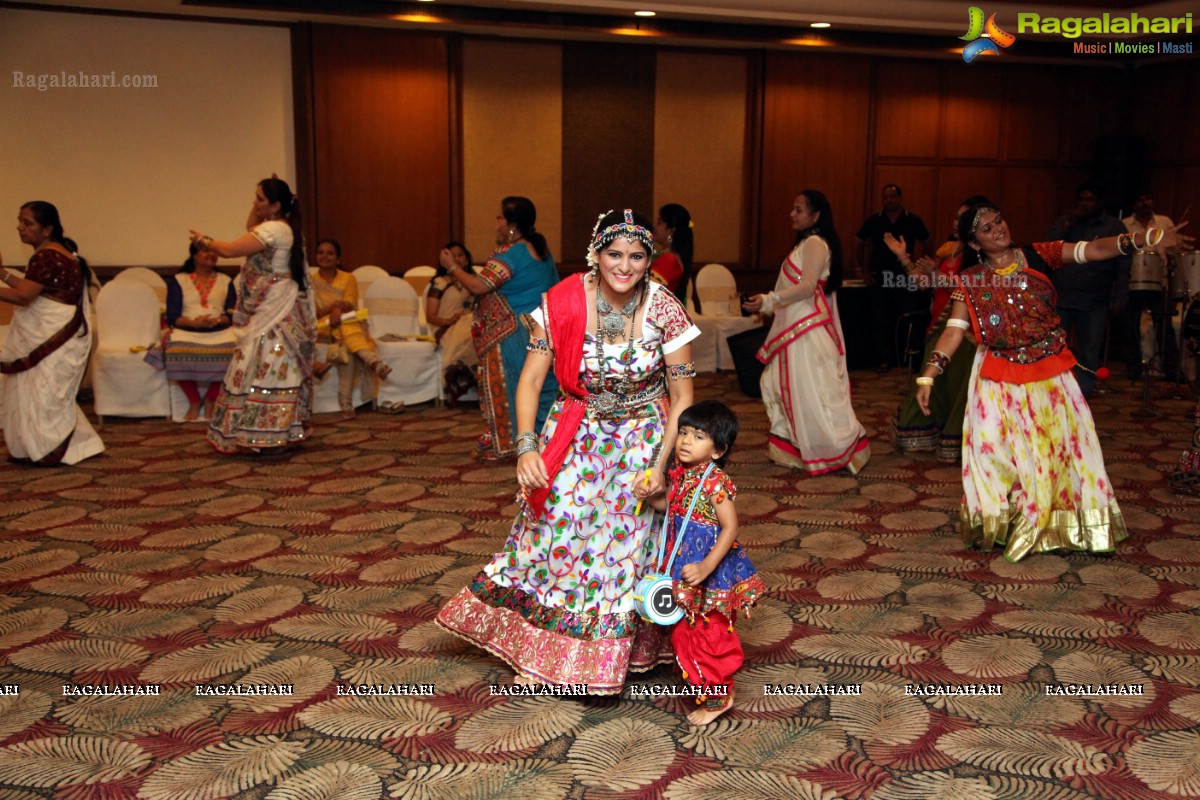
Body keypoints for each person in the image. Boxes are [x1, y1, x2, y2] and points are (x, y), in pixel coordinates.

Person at [436, 209, 701, 692]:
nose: (625, 266)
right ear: (595, 254)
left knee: (627, 548)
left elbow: (683, 398)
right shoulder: (561, 302)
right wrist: (525, 448)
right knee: (559, 529)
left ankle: (615, 655)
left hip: (645, 441)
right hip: (576, 434)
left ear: (648, 259)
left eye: (637, 256)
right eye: (614, 254)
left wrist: (664, 465)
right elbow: (531, 380)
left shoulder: (663, 307)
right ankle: (549, 648)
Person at [915, 204, 1190, 561]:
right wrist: (928, 375)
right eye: (986, 228)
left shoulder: (1037, 254)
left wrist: (1144, 238)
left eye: (999, 219)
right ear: (975, 243)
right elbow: (955, 331)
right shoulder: (970, 279)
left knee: (1056, 448)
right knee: (991, 449)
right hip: (997, 376)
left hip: (1048, 371)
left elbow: (1092, 250)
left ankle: (1057, 521)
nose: (998, 228)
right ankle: (1008, 520)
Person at [644, 399, 764, 726]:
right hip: (684, 562)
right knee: (685, 628)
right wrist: (650, 495)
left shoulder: (715, 482)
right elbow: (667, 506)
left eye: (698, 436)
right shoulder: (682, 474)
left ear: (717, 451)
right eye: (683, 432)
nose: (684, 441)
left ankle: (718, 696)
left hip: (707, 570)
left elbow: (731, 527)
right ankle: (700, 676)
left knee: (708, 633)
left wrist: (707, 567)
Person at [743, 190, 870, 475]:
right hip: (800, 327)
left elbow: (808, 286)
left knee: (812, 392)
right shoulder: (806, 243)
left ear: (816, 216)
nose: (792, 214)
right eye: (793, 208)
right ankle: (798, 447)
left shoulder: (815, 243)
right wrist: (767, 303)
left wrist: (769, 300)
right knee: (784, 385)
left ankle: (829, 447)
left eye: (799, 209)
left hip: (807, 330)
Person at [189, 176, 317, 454]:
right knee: (258, 361)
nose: (254, 203)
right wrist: (260, 206)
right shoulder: (275, 227)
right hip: (269, 305)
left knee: (270, 362)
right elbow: (251, 227)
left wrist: (203, 240)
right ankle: (266, 432)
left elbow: (229, 249)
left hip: (277, 308)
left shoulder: (277, 230)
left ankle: (268, 434)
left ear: (276, 206)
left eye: (260, 199)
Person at [442, 196, 559, 459]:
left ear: (511, 225)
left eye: (499, 218)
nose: (495, 223)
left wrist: (452, 267)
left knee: (517, 388)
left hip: (513, 334)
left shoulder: (512, 253)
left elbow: (478, 286)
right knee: (543, 388)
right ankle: (549, 443)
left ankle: (518, 446)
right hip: (542, 329)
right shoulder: (541, 250)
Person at [888, 195, 991, 462]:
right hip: (940, 327)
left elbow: (972, 289)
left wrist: (939, 275)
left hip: (965, 334)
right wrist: (903, 258)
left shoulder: (984, 257)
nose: (957, 223)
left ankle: (959, 442)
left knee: (957, 389)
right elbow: (923, 283)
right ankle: (926, 433)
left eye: (964, 218)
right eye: (956, 217)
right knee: (934, 382)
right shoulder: (948, 249)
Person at [0, 202, 104, 465]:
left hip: (52, 334)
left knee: (42, 394)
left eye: (27, 223)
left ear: (46, 229)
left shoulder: (45, 256)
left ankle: (47, 448)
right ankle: (60, 446)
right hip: (62, 332)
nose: (20, 227)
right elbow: (35, 289)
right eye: (20, 221)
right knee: (48, 394)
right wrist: (2, 274)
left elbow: (24, 297)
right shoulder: (62, 252)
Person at [1046, 181, 1129, 397]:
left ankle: (1083, 393)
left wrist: (1120, 298)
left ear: (1100, 202)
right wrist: (1068, 225)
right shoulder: (1066, 222)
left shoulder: (1114, 228)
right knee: (1054, 346)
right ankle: (1054, 389)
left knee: (1089, 350)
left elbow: (1123, 266)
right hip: (1062, 296)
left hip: (1095, 300)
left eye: (1090, 200)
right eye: (1081, 200)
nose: (1085, 204)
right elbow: (1046, 251)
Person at [310, 238, 390, 419]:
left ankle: (345, 403)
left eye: (330, 253)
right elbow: (310, 311)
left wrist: (338, 310)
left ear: (338, 259)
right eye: (321, 252)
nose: (325, 256)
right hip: (321, 326)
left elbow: (350, 303)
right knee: (349, 332)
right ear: (316, 257)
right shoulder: (310, 281)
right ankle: (372, 361)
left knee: (346, 341)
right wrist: (332, 309)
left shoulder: (348, 278)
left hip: (344, 324)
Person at [856, 184, 930, 371]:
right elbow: (859, 242)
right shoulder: (875, 220)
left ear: (900, 198)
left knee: (908, 315)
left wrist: (922, 267)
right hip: (880, 276)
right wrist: (862, 269)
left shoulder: (912, 220)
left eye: (892, 197)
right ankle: (885, 359)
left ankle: (910, 358)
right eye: (885, 197)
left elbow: (927, 241)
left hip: (906, 276)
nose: (889, 200)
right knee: (880, 318)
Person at [165, 243, 238, 422]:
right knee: (174, 351)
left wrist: (218, 320)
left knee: (235, 354)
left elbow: (231, 312)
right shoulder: (179, 280)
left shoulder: (225, 280)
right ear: (194, 256)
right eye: (206, 250)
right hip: (187, 330)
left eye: (215, 252)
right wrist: (193, 323)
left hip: (219, 330)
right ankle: (195, 401)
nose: (212, 255)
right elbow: (173, 316)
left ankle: (211, 400)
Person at [1121, 191, 1179, 381]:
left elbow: (1175, 250)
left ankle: (1171, 369)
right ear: (1133, 205)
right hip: (1132, 280)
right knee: (1131, 323)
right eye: (1140, 200)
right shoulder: (1125, 225)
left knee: (1164, 323)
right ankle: (1133, 367)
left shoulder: (1164, 222)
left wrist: (1170, 245)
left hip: (1158, 279)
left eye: (1148, 198)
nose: (1145, 203)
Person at [431, 241, 478, 406]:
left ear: (466, 259)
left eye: (460, 255)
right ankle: (461, 373)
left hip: (472, 325)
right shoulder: (439, 283)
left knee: (474, 324)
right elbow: (430, 316)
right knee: (470, 326)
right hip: (446, 328)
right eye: (452, 255)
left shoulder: (476, 283)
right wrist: (449, 320)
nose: (457, 259)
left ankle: (462, 373)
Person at [651, 203, 693, 307]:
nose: (655, 226)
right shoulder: (671, 256)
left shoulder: (669, 261)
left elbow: (648, 294)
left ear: (671, 231)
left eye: (659, 223)